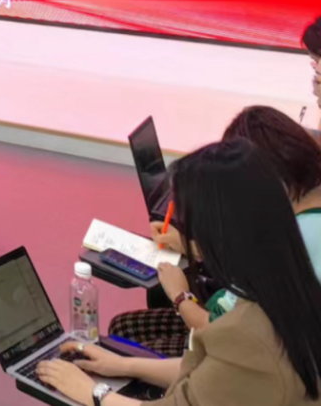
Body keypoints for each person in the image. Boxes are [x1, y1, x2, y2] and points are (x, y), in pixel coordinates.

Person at [37, 140, 321, 406]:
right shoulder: (292, 292)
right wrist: (123, 364)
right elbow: (209, 376)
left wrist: (93, 393)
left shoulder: (247, 333)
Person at [111, 106, 321, 357]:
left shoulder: (293, 237)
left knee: (122, 342)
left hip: (234, 350)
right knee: (122, 331)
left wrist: (180, 296)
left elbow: (222, 331)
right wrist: (194, 248)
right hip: (239, 336)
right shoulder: (304, 212)